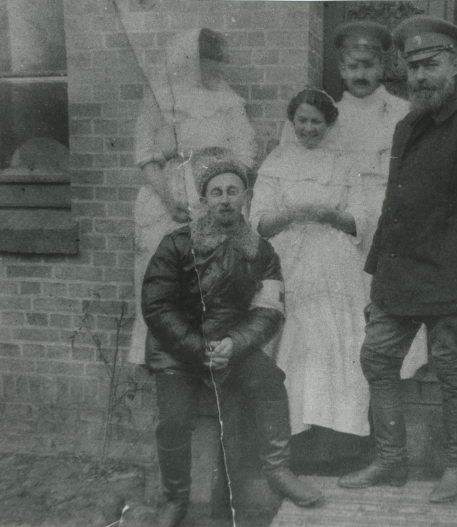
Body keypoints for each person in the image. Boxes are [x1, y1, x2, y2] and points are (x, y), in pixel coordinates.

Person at [339, 16, 457, 503]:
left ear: (456, 65)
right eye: (413, 67)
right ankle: (390, 461)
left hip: (452, 281)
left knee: (453, 375)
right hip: (399, 275)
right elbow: (394, 205)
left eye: (431, 65)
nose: (420, 76)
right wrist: (377, 274)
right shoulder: (407, 126)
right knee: (377, 359)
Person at [141, 148, 323, 527]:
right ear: (205, 200)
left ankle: (278, 471)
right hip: (178, 351)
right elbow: (158, 306)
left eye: (232, 191)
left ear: (245, 197)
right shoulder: (177, 244)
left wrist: (236, 343)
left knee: (270, 381)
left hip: (230, 346)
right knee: (174, 420)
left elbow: (270, 310)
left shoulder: (261, 252)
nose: (225, 199)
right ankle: (176, 499)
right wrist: (197, 347)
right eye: (216, 192)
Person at [249, 89, 374, 462]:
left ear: (329, 123)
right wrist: (291, 214)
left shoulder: (345, 163)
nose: (308, 128)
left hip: (334, 265)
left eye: (316, 121)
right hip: (288, 262)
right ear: (292, 122)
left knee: (335, 346)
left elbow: (361, 219)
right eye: (301, 121)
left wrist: (330, 215)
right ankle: (292, 442)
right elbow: (258, 222)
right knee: (293, 345)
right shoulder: (277, 161)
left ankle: (337, 444)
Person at [128, 28, 257, 365]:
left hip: (214, 196)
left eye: (219, 61)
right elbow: (145, 156)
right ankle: (163, 359)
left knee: (212, 279)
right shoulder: (158, 98)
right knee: (165, 277)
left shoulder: (228, 102)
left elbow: (244, 154)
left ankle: (209, 358)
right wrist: (169, 200)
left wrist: (221, 191)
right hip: (166, 199)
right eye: (209, 61)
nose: (217, 68)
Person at [333, 20, 427, 382]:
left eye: (368, 65)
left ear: (383, 67)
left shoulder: (403, 111)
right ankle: (347, 368)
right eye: (353, 66)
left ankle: (398, 365)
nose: (360, 74)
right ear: (341, 68)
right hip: (343, 212)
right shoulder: (327, 114)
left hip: (391, 208)